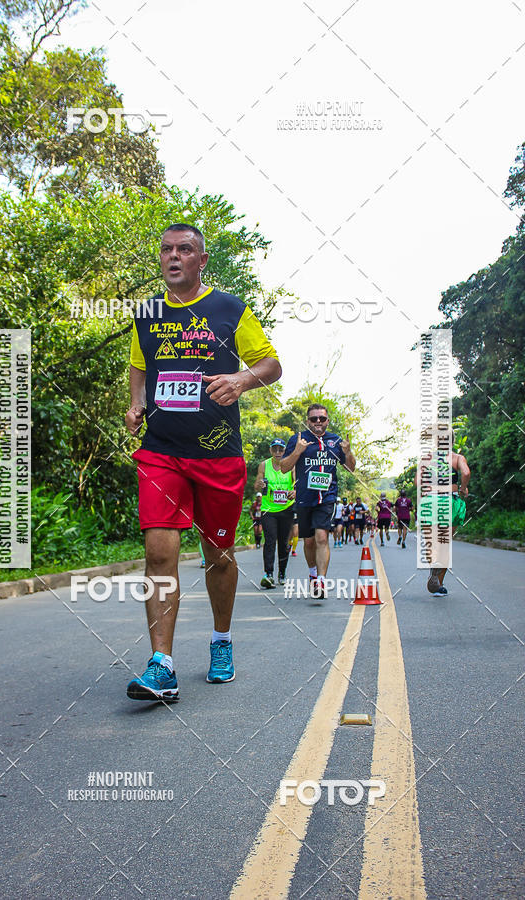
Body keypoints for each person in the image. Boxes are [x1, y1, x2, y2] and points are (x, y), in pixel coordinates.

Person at [125, 223, 281, 702]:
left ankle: (220, 641)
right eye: (167, 249)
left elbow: (272, 364)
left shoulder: (229, 309)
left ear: (201, 260)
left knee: (218, 555)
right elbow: (140, 368)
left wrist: (240, 379)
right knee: (159, 551)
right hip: (161, 451)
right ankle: (162, 664)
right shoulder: (147, 314)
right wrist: (136, 404)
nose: (174, 257)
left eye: (185, 249)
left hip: (217, 455)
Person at [281, 404, 355, 599]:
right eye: (314, 419)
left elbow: (351, 469)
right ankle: (313, 573)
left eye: (322, 418)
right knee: (309, 541)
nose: (318, 422)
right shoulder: (298, 440)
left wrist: (347, 453)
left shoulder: (335, 441)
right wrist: (297, 451)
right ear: (308, 421)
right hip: (305, 499)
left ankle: (321, 580)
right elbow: (284, 467)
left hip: (327, 498)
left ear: (327, 420)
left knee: (322, 537)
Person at [417, 443, 470, 596]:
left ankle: (433, 565)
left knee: (430, 543)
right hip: (449, 500)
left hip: (430, 501)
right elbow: (466, 473)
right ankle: (438, 584)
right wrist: (462, 488)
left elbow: (417, 481)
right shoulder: (457, 457)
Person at [254, 439, 296, 588]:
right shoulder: (264, 465)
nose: (278, 453)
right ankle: (268, 574)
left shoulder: (291, 465)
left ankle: (282, 573)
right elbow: (257, 485)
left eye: (281, 450)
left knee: (284, 543)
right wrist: (259, 484)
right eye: (275, 449)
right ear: (271, 451)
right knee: (270, 540)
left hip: (286, 509)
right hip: (268, 509)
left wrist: (294, 492)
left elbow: (297, 485)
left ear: (285, 451)